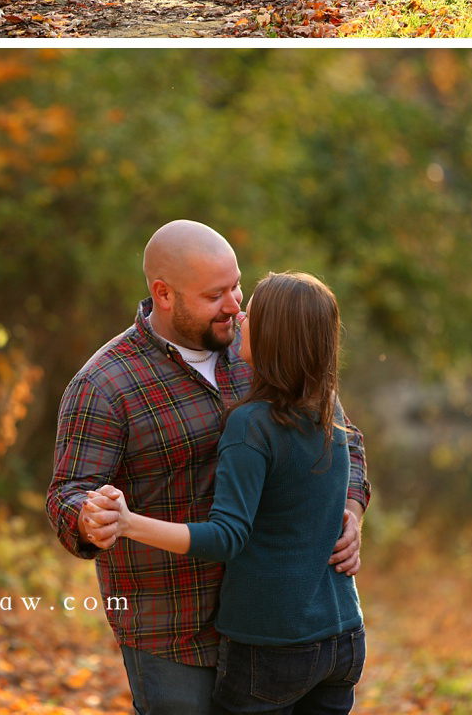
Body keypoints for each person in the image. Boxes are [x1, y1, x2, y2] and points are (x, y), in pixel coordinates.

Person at [45, 221, 369, 715]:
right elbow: (68, 492)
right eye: (216, 294)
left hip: (274, 625)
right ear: (164, 294)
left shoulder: (265, 347)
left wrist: (351, 512)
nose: (236, 305)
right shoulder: (105, 384)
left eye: (237, 285)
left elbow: (344, 437)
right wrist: (90, 517)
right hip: (171, 626)